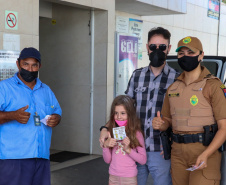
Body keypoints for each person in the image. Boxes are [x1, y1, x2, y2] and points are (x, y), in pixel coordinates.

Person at [100, 27, 180, 185]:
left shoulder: (176, 78)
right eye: (153, 47)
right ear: (147, 47)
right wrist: (104, 128)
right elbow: (123, 110)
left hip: (161, 150)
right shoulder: (137, 76)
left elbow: (180, 116)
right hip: (134, 147)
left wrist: (174, 143)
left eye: (162, 47)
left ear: (169, 49)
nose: (157, 50)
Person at [152, 36, 226, 185]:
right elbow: (168, 121)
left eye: (190, 52)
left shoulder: (213, 86)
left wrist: (206, 154)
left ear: (201, 55)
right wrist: (161, 123)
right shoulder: (173, 88)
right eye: (181, 53)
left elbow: (224, 128)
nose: (185, 56)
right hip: (177, 153)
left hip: (205, 151)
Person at [0, 47, 62, 185]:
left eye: (34, 65)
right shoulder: (4, 88)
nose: (30, 68)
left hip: (41, 158)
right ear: (18, 64)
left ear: (39, 66)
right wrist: (13, 115)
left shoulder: (46, 90)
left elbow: (57, 112)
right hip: (13, 160)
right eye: (25, 64)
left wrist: (56, 119)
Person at [102, 95, 147, 185]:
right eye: (116, 113)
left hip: (129, 178)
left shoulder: (137, 133)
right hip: (113, 176)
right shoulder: (111, 132)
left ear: (130, 114)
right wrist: (105, 146)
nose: (119, 117)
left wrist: (128, 150)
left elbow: (143, 160)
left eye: (123, 113)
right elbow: (107, 160)